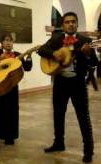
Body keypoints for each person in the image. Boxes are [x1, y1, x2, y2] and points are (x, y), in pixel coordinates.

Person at [38, 12, 97, 163]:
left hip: (78, 83)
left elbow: (94, 63)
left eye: (73, 21)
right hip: (60, 82)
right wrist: (54, 53)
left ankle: (88, 151)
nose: (70, 24)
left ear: (77, 24)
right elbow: (41, 50)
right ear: (63, 25)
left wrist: (88, 54)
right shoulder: (56, 38)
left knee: (83, 117)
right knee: (58, 114)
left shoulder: (86, 40)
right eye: (67, 22)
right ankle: (59, 143)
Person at [0, 34, 32, 145]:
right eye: (6, 40)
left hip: (12, 87)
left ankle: (9, 137)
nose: (8, 43)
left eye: (10, 41)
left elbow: (27, 67)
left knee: (11, 112)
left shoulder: (17, 55)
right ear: (1, 43)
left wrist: (29, 56)